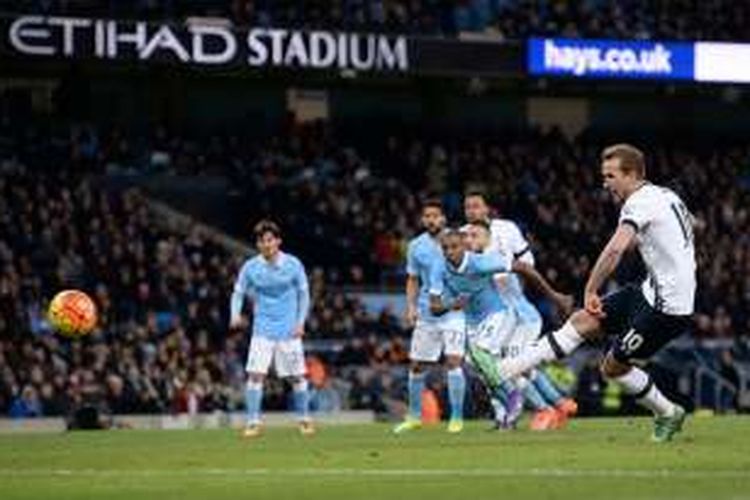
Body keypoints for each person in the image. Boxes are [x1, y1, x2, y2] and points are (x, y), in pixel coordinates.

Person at [498, 144, 695, 443]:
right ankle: (507, 369)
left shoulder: (638, 202)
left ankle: (668, 412)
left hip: (667, 309)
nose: (605, 183)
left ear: (631, 174)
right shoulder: (665, 195)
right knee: (582, 320)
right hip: (650, 290)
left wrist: (591, 288)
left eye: (610, 176)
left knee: (612, 368)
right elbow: (678, 230)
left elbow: (616, 248)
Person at [464, 192, 577, 430]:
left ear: (487, 209)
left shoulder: (504, 232)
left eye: (476, 206)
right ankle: (554, 405)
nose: (472, 211)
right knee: (504, 367)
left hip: (520, 315)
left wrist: (551, 295)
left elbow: (526, 263)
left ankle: (546, 409)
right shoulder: (466, 240)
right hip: (497, 319)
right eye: (468, 207)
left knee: (512, 367)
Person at [230, 220, 313, 438]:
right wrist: (235, 314)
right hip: (262, 329)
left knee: (297, 377)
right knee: (255, 375)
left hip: (288, 330)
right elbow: (238, 292)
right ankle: (253, 423)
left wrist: (300, 322)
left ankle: (304, 420)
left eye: (270, 240)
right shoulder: (250, 267)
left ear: (278, 241)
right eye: (261, 241)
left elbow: (304, 295)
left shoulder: (293, 264)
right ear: (257, 244)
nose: (266, 245)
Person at [394, 199, 467, 434]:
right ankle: (414, 416)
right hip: (427, 312)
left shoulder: (458, 240)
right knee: (417, 366)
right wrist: (411, 307)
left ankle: (456, 418)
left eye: (435, 215)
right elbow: (413, 279)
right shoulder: (416, 246)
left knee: (454, 361)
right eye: (427, 216)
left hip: (455, 311)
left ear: (444, 218)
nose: (431, 220)